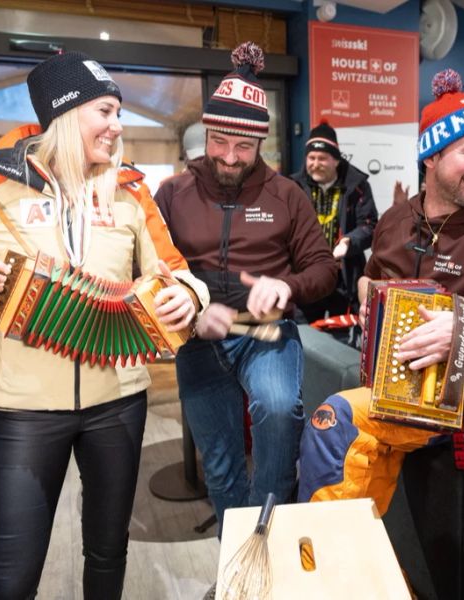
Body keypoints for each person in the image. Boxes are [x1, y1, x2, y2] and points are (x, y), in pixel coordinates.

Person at [0, 52, 208, 599]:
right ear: (66, 111)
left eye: (120, 112)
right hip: (24, 409)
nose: (118, 125)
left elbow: (174, 270)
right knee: (9, 580)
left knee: (108, 555)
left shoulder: (131, 190)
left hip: (119, 400)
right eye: (105, 110)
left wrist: (188, 299)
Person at [299, 70, 464, 599]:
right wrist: (370, 288)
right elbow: (373, 283)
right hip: (387, 378)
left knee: (334, 423)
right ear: (432, 156)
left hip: (459, 393)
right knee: (360, 460)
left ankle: (316, 580)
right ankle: (357, 584)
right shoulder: (397, 219)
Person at [154, 42, 337, 532]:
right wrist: (190, 310)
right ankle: (237, 565)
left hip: (266, 331)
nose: (229, 157)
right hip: (199, 337)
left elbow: (324, 269)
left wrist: (287, 285)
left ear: (262, 146)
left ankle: (265, 540)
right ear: (206, 134)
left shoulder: (286, 194)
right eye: (220, 143)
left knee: (279, 411)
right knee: (219, 465)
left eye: (244, 147)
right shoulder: (173, 193)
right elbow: (149, 270)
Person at [289, 120, 378, 344]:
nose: (315, 164)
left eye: (322, 158)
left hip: (344, 277)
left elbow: (370, 225)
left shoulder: (358, 185)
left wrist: (348, 242)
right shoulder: (292, 186)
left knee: (341, 339)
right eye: (311, 158)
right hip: (305, 276)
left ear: (336, 160)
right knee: (302, 337)